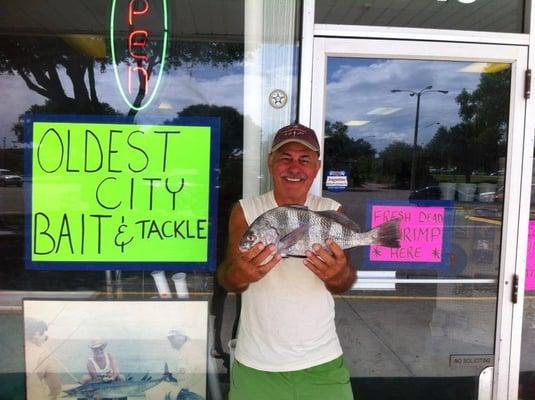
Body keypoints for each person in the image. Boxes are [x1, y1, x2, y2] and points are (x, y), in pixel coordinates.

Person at [218, 123, 356, 400]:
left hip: (322, 362)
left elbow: (344, 282)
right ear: (271, 163)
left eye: (304, 160)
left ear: (316, 167)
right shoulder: (247, 210)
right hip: (256, 364)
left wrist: (337, 274)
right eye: (285, 158)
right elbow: (226, 278)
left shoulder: (331, 210)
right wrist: (241, 274)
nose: (294, 168)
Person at [24, 318, 62, 400]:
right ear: (36, 334)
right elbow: (55, 387)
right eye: (44, 334)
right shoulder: (43, 354)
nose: (46, 337)